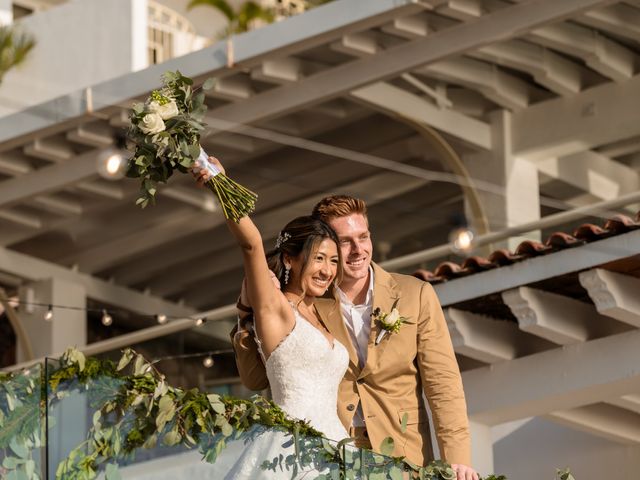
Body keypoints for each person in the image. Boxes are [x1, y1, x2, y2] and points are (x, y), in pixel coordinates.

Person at [233, 194, 478, 480]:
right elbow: (255, 379)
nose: (357, 249)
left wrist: (458, 461)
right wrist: (245, 309)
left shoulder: (415, 294)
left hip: (403, 458)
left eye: (363, 237)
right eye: (345, 241)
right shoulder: (306, 301)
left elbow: (443, 385)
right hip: (330, 458)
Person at [194, 156, 350, 478]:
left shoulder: (319, 315)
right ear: (290, 259)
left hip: (337, 450)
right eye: (319, 258)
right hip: (291, 450)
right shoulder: (275, 307)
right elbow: (251, 245)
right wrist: (219, 183)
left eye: (333, 261)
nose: (327, 270)